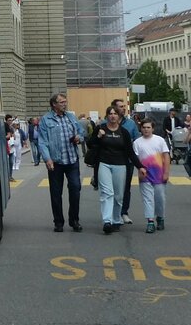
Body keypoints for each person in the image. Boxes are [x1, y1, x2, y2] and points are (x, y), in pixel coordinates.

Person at [88, 107, 143, 235]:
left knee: (118, 195)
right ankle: (107, 221)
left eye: (115, 114)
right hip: (104, 164)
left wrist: (140, 166)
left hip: (120, 165)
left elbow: (130, 152)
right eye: (110, 114)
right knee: (107, 193)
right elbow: (90, 144)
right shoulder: (101, 128)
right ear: (107, 116)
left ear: (119, 117)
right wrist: (98, 136)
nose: (112, 116)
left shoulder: (124, 132)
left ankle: (116, 219)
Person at [38, 93, 84, 233]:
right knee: (56, 193)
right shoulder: (46, 120)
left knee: (75, 189)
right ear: (54, 104)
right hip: (56, 162)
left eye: (65, 101)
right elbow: (42, 141)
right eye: (62, 102)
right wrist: (47, 159)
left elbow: (81, 132)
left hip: (72, 160)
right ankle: (58, 222)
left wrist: (79, 138)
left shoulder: (71, 117)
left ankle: (74, 220)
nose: (65, 104)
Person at [134, 119, 171, 234]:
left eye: (148, 127)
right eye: (144, 127)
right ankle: (150, 221)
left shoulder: (159, 140)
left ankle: (160, 218)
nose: (146, 129)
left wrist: (166, 172)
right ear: (141, 129)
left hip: (159, 174)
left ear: (153, 129)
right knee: (147, 199)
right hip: (145, 174)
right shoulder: (137, 142)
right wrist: (139, 170)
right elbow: (136, 159)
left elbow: (166, 156)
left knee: (159, 198)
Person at [110, 98, 140, 223]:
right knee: (111, 188)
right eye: (120, 106)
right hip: (111, 160)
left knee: (125, 188)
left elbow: (137, 140)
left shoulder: (131, 123)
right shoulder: (106, 123)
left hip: (127, 160)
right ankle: (112, 213)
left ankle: (123, 212)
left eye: (123, 106)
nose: (123, 108)